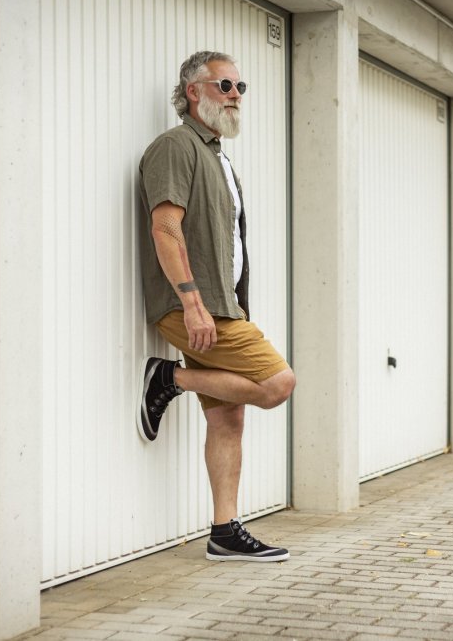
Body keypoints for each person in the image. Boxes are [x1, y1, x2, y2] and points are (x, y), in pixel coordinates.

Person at [137, 50, 296, 562]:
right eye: (224, 85)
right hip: (195, 307)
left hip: (223, 305)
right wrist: (192, 302)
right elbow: (165, 227)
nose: (235, 96)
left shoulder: (218, 157)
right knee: (277, 384)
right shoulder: (176, 146)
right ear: (192, 92)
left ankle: (224, 531)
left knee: (228, 417)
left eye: (239, 88)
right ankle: (169, 378)